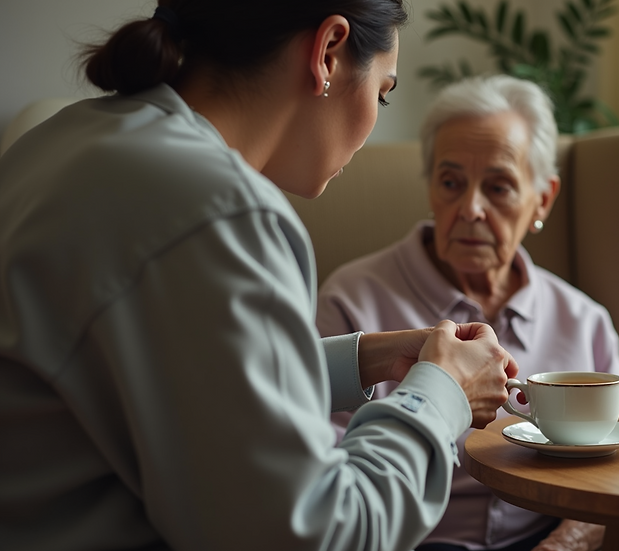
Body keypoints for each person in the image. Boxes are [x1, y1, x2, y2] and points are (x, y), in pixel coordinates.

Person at [0, 2, 520, 550]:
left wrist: (368, 356)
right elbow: (317, 533)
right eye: (383, 91)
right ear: (328, 52)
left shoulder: (60, 143)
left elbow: (175, 377)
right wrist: (441, 394)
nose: (372, 122)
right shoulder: (218, 212)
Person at [318, 75, 619, 551]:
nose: (470, 209)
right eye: (450, 182)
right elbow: (324, 477)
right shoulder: (351, 300)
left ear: (542, 199)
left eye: (499, 187)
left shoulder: (583, 320)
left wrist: (566, 544)